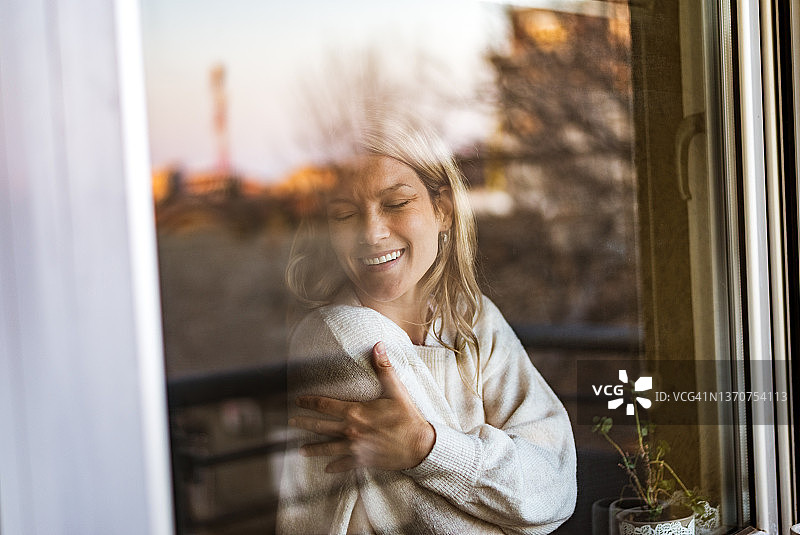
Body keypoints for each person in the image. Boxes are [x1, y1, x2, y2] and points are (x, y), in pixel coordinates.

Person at [278, 120, 576, 535]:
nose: (372, 232)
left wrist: (425, 447)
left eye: (396, 204)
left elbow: (555, 486)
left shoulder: (474, 319)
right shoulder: (337, 337)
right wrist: (507, 495)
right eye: (344, 215)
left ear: (443, 210)